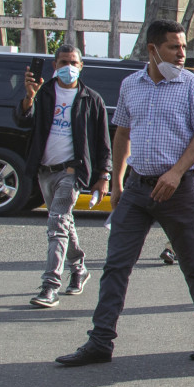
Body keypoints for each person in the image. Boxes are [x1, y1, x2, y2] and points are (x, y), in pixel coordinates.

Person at [54, 20, 194, 367]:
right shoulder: (131, 85)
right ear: (153, 50)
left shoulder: (192, 86)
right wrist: (118, 183)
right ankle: (100, 340)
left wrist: (176, 173)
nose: (181, 54)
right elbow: (122, 134)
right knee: (116, 265)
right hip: (136, 188)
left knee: (193, 264)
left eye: (183, 47)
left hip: (176, 190)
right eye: (173, 47)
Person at [17, 44, 112, 308]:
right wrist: (29, 98)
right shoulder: (43, 93)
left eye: (73, 62)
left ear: (81, 66)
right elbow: (22, 121)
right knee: (62, 222)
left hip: (72, 172)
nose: (68, 67)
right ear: (54, 66)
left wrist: (104, 175)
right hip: (44, 170)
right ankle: (79, 268)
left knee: (57, 223)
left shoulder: (92, 99)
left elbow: (103, 142)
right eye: (63, 62)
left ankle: (50, 286)